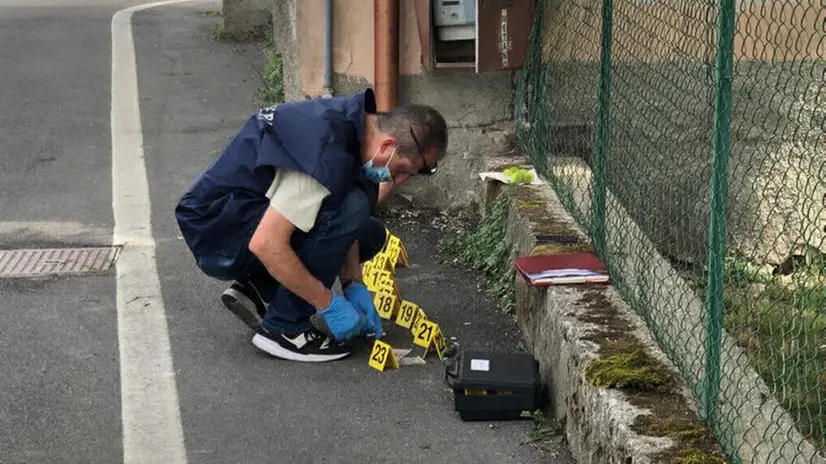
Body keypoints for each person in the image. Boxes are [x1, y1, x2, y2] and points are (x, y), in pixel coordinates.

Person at [174, 88, 448, 363]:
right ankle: (285, 329)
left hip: (244, 212)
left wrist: (353, 283)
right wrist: (328, 304)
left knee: (369, 233)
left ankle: (259, 285)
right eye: (402, 169)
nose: (398, 181)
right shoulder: (323, 157)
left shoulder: (358, 128)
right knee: (350, 208)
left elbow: (347, 222)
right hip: (219, 233)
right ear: (388, 146)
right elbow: (266, 243)